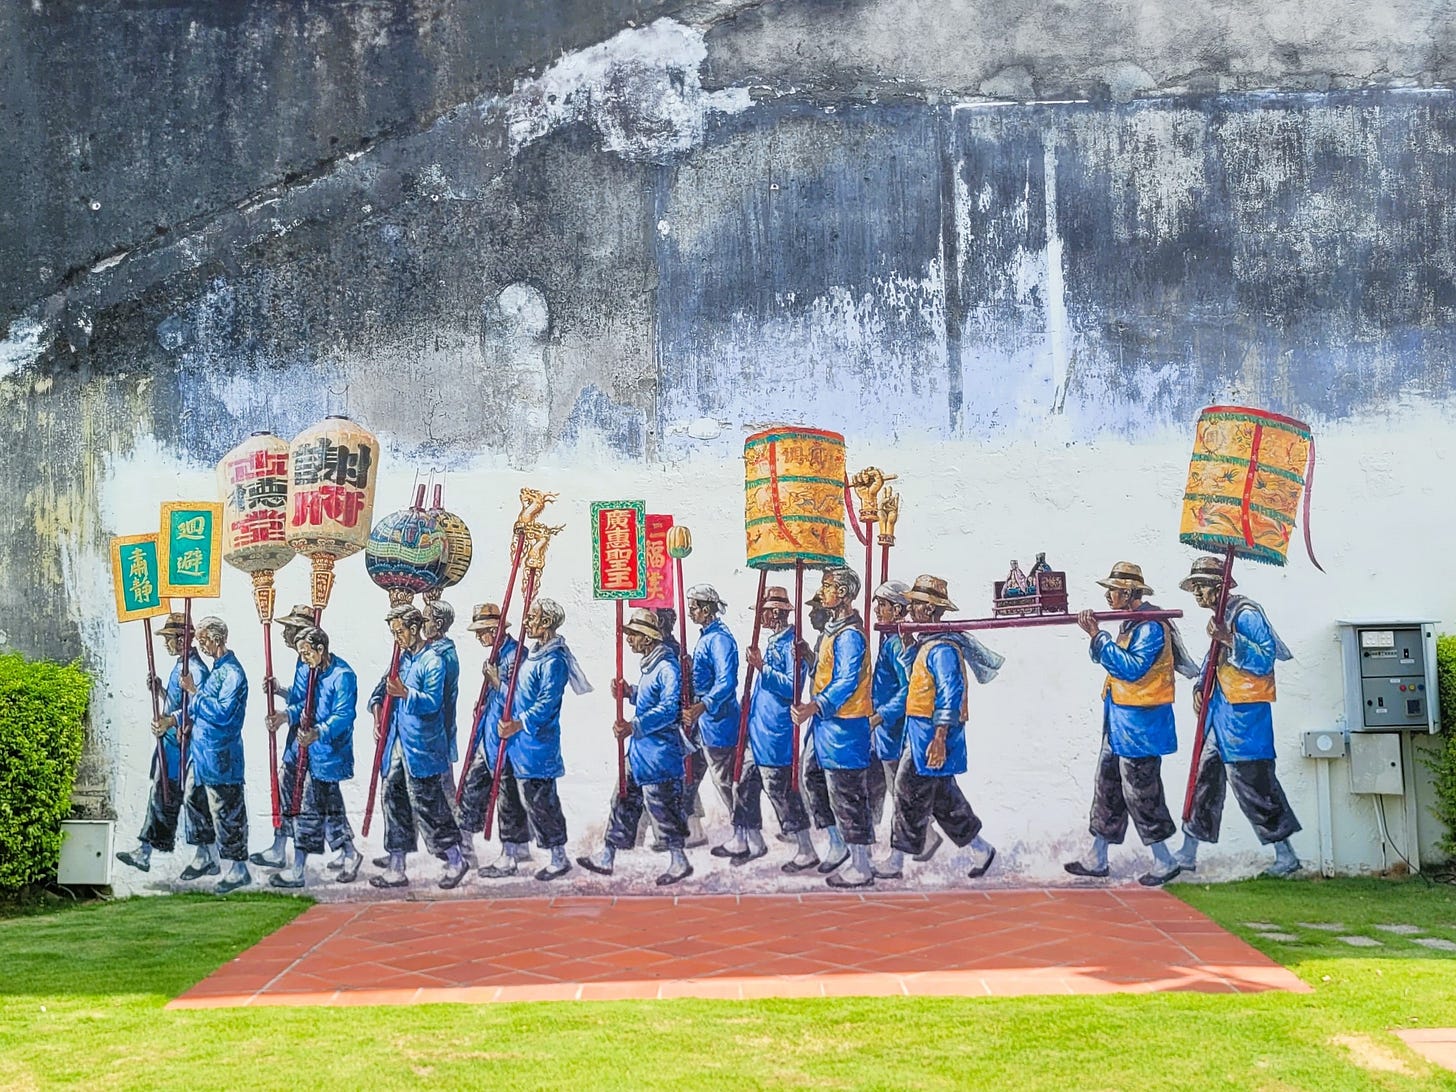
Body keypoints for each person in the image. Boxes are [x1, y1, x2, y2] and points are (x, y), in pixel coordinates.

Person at [1065, 563, 1198, 887]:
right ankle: (1098, 857)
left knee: (1142, 794)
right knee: (1108, 788)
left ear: (1127, 593)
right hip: (1120, 721)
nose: (1108, 595)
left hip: (1141, 726)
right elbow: (1104, 659)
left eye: (1112, 590)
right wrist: (1098, 641)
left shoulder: (1150, 626)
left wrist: (1098, 636)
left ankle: (1164, 860)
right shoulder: (1130, 622)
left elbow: (1131, 669)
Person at [1176, 556, 1302, 877]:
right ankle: (1188, 852)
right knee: (1203, 779)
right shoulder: (1222, 616)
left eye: (1200, 587)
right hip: (1219, 714)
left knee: (1254, 784)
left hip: (1245, 718)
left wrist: (1229, 638)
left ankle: (1285, 855)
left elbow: (1264, 657)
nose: (1196, 593)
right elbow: (1213, 657)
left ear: (1218, 587)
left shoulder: (1246, 614)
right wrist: (1200, 685)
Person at [873, 576, 1001, 881]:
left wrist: (940, 737)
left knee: (906, 791)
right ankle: (980, 849)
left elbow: (949, 695)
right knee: (945, 800)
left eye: (916, 603)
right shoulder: (927, 644)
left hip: (931, 736)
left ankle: (897, 859)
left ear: (929, 610)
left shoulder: (942, 649)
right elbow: (916, 680)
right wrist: (907, 648)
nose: (911, 608)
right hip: (921, 735)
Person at [578, 609, 694, 886]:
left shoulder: (667, 667)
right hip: (640, 753)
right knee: (622, 801)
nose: (629, 640)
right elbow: (649, 697)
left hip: (660, 756)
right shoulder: (651, 666)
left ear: (648, 638)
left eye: (634, 636)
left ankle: (679, 861)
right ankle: (607, 856)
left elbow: (668, 709)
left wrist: (635, 725)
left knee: (663, 809)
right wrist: (631, 693)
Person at [478, 597, 590, 882]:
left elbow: (545, 706)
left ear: (547, 623)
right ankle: (509, 854)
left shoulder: (554, 661)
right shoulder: (534, 656)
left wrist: (518, 723)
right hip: (514, 745)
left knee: (541, 803)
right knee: (509, 799)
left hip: (536, 746)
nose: (527, 623)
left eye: (532, 617)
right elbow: (517, 695)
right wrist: (499, 686)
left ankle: (558, 856)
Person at [368, 604, 469, 890]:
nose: (396, 637)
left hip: (423, 747)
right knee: (392, 798)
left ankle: (455, 859)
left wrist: (405, 693)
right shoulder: (400, 660)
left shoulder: (433, 661)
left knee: (428, 805)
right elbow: (379, 693)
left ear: (414, 629)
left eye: (399, 631)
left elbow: (432, 702)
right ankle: (397, 866)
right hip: (397, 745)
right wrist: (378, 719)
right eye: (393, 632)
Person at [250, 604, 355, 876]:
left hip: (325, 751)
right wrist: (284, 710)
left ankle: (298, 868)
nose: (285, 633)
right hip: (300, 745)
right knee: (312, 799)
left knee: (307, 804)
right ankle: (346, 852)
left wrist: (317, 732)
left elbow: (342, 715)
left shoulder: (342, 675)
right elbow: (303, 704)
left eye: (307, 651)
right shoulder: (307, 665)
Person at [792, 566, 876, 889]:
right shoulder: (830, 631)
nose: (822, 591)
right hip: (823, 728)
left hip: (845, 728)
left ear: (842, 593)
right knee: (812, 779)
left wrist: (814, 705)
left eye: (827, 586)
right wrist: (810, 657)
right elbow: (825, 671)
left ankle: (861, 864)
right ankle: (836, 841)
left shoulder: (851, 636)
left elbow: (845, 682)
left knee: (847, 793)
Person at [115, 613, 208, 873]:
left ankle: (203, 854)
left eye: (169, 639)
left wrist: (170, 721)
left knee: (189, 800)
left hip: (184, 749)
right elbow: (178, 704)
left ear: (182, 640)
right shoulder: (181, 667)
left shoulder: (195, 670)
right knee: (163, 797)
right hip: (170, 748)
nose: (166, 644)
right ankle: (146, 851)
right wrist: (160, 691)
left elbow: (198, 707)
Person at [741, 584, 817, 871]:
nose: (759, 618)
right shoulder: (775, 641)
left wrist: (762, 667)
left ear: (774, 613)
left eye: (763, 613)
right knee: (745, 787)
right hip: (758, 732)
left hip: (776, 736)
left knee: (782, 794)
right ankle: (752, 841)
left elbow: (792, 687)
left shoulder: (792, 646)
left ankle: (806, 848)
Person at [867, 579, 942, 861]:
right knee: (898, 792)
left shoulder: (898, 643)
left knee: (902, 793)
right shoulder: (890, 639)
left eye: (882, 604)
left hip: (895, 731)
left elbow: (908, 688)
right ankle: (928, 838)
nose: (876, 609)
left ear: (898, 610)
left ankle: (904, 852)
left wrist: (880, 715)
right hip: (887, 733)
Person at [177, 616, 251, 894]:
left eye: (204, 640)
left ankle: (238, 868)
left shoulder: (233, 673)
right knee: (193, 800)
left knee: (226, 811)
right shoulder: (216, 670)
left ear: (217, 639)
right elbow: (200, 708)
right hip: (201, 752)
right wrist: (187, 721)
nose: (201, 645)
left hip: (222, 755)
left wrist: (194, 694)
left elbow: (223, 713)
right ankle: (205, 855)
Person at [457, 602, 525, 868]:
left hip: (509, 740)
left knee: (508, 798)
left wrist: (496, 682)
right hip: (489, 736)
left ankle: (513, 852)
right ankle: (466, 847)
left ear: (495, 629)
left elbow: (520, 699)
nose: (478, 637)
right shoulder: (497, 655)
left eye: (483, 631)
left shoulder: (516, 655)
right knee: (473, 789)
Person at [422, 599, 461, 782]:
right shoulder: (427, 650)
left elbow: (440, 697)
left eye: (425, 620)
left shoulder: (445, 655)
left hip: (437, 730)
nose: (422, 624)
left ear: (438, 624)